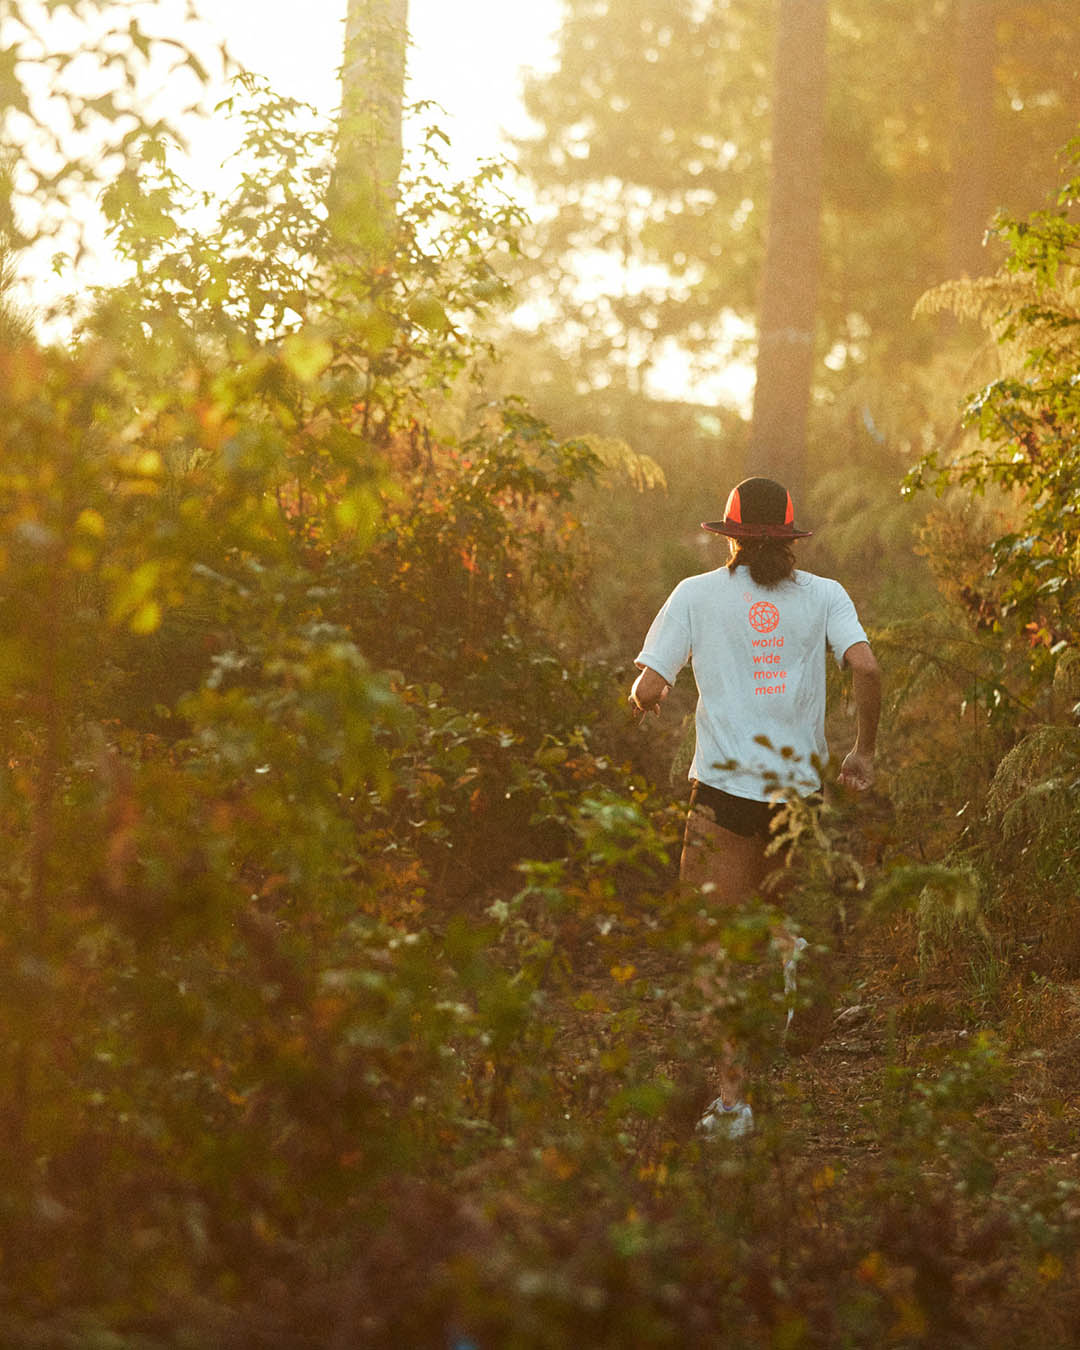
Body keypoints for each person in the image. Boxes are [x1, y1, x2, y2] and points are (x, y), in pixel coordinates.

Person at [628, 475, 881, 1137]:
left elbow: (650, 684)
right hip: (799, 795)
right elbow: (867, 668)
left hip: (722, 792)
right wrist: (864, 752)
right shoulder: (825, 596)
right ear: (790, 538)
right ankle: (792, 948)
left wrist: (646, 701)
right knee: (760, 917)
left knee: (712, 946)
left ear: (731, 534)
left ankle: (734, 1105)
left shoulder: (695, 594)